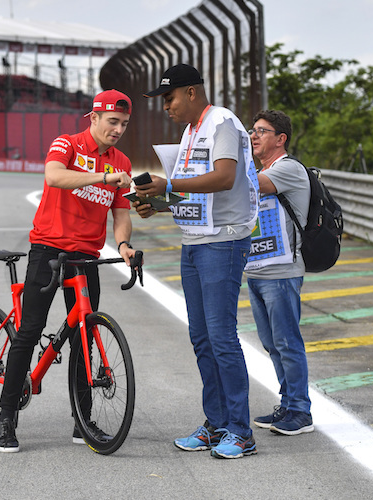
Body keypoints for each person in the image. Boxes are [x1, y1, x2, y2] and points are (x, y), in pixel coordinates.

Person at [0, 89, 138, 453]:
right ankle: (7, 415)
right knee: (28, 332)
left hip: (85, 256)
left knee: (84, 336)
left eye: (123, 123)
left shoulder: (120, 160)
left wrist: (123, 246)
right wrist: (103, 179)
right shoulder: (67, 144)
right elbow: (55, 176)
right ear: (93, 118)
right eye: (112, 121)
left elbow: (121, 215)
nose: (118, 129)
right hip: (49, 249)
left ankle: (82, 418)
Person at [137, 64, 259, 459]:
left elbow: (225, 178)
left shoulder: (222, 122)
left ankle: (241, 431)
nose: (166, 107)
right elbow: (194, 192)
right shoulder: (190, 132)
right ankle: (218, 423)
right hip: (195, 241)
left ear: (191, 92)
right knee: (202, 338)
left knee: (222, 337)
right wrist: (157, 204)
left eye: (168, 98)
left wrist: (169, 184)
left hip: (223, 242)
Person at [245, 110, 314, 435]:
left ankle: (301, 412)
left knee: (287, 342)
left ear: (280, 138)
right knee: (272, 343)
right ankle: (288, 405)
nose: (254, 135)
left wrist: (228, 160)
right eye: (252, 130)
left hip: (283, 272)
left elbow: (250, 183)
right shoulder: (264, 169)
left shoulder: (287, 169)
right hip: (258, 270)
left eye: (261, 131)